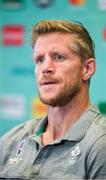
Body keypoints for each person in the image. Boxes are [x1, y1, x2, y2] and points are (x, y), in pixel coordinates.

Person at [0, 19, 106, 180]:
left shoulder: (100, 144)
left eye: (58, 57)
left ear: (87, 69)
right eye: (40, 59)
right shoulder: (9, 142)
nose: (45, 68)